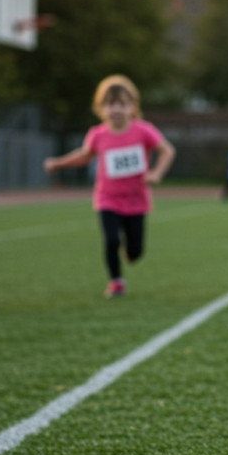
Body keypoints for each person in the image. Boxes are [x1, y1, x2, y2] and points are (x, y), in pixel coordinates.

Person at [44, 75, 175, 298]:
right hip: (108, 199)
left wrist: (156, 173)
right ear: (101, 108)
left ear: (132, 107)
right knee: (112, 239)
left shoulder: (143, 131)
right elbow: (84, 156)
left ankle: (130, 254)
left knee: (135, 251)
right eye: (110, 104)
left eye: (121, 104)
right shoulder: (98, 135)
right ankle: (116, 281)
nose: (115, 109)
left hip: (136, 200)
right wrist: (58, 163)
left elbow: (167, 150)